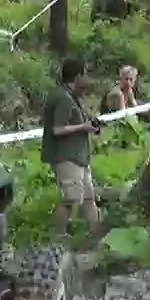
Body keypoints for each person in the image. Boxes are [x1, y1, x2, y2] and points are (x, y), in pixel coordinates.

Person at [42, 59, 102, 242]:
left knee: (89, 198)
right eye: (85, 75)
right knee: (70, 199)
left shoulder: (73, 96)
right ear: (77, 77)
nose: (88, 79)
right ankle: (59, 236)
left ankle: (97, 234)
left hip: (79, 156)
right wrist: (83, 127)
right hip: (66, 156)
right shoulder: (63, 98)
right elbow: (57, 129)